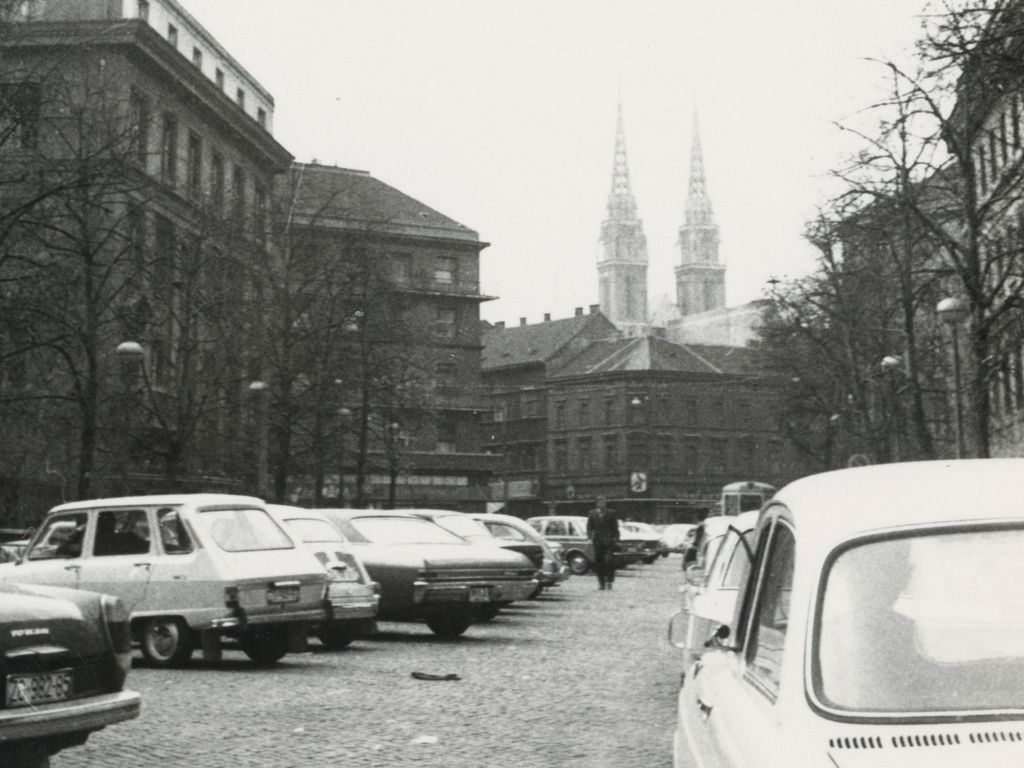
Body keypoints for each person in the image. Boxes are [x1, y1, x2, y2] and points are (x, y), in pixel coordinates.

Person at [587, 496, 620, 590]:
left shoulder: (611, 513)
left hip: (609, 542)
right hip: (597, 542)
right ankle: (601, 583)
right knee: (599, 563)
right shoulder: (592, 514)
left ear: (606, 503)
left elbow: (615, 527)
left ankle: (609, 581)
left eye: (603, 502)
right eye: (600, 502)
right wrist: (590, 537)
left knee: (609, 561)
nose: (602, 504)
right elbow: (589, 527)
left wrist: (616, 538)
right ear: (597, 503)